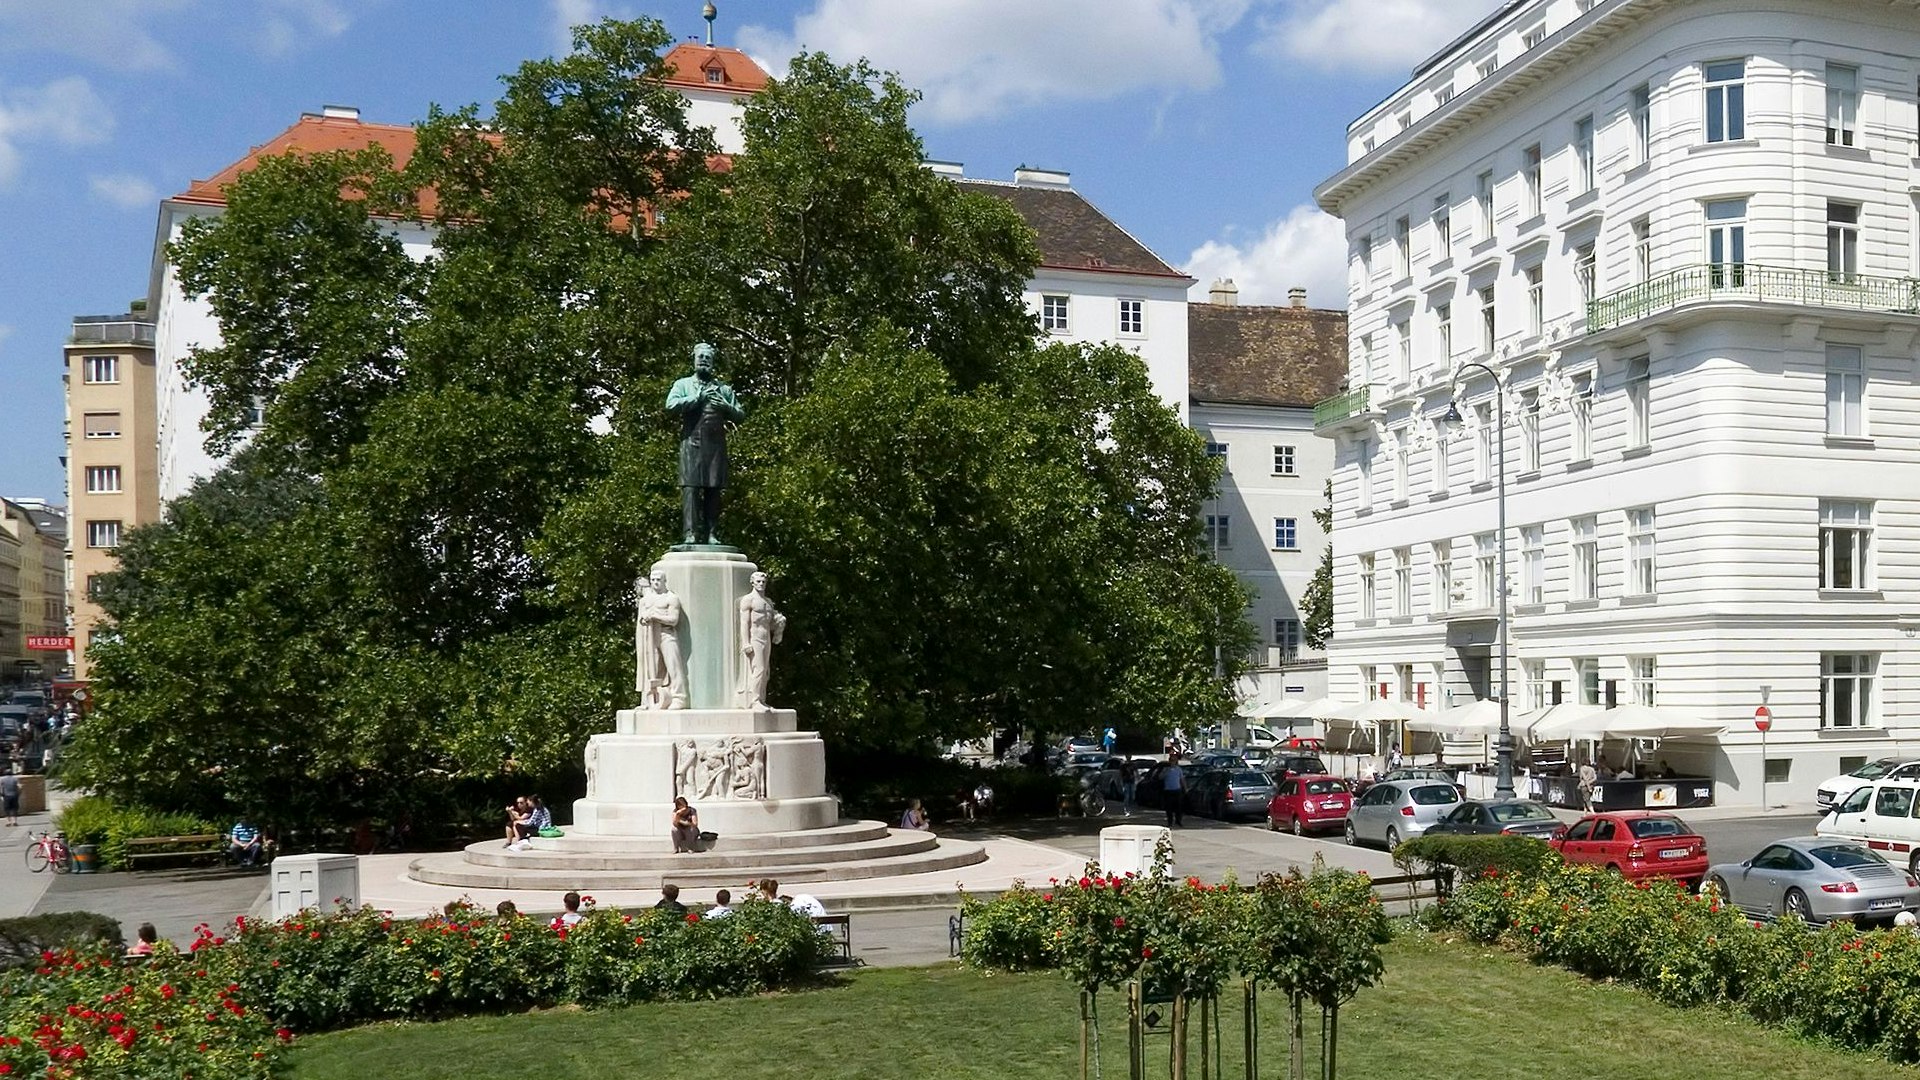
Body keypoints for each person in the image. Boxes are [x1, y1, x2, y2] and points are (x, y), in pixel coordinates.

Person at [664, 342, 745, 546]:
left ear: (713, 363)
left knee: (713, 489)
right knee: (690, 489)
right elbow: (671, 405)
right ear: (694, 359)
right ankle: (690, 534)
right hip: (691, 443)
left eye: (708, 358)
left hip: (715, 445)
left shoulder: (723, 389)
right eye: (700, 357)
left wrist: (726, 406)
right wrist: (697, 398)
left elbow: (740, 414)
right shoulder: (683, 384)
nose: (704, 361)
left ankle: (712, 533)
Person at [1160, 755, 1185, 828]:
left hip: (1177, 790)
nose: (1173, 762)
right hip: (1168, 790)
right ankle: (1170, 822)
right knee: (1169, 808)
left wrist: (1185, 788)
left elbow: (1182, 779)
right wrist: (1165, 772)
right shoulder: (1166, 769)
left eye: (1174, 761)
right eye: (1172, 760)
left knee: (1179, 807)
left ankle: (1178, 821)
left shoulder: (1179, 769)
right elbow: (1160, 777)